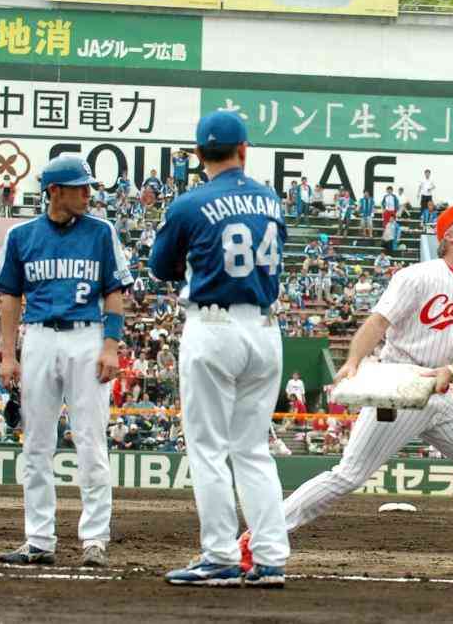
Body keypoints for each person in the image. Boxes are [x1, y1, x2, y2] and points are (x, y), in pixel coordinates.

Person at [239, 203, 453, 580]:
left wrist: (452, 369)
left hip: (440, 392)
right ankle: (257, 540)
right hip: (398, 386)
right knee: (348, 474)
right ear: (449, 235)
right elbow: (378, 322)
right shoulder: (417, 277)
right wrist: (353, 361)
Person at [149, 111, 290, 587]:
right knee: (252, 449)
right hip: (265, 328)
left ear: (197, 155)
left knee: (209, 449)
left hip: (212, 326)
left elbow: (161, 268)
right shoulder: (270, 199)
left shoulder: (189, 204)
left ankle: (220, 555)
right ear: (244, 150)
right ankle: (269, 556)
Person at [0, 155, 133, 568]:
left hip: (86, 336)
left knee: (90, 440)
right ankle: (38, 540)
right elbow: (9, 298)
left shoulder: (101, 232)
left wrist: (111, 345)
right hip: (38, 337)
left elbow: (114, 293)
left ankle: (95, 540)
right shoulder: (22, 236)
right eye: (80, 187)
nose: (88, 194)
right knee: (36, 443)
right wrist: (7, 354)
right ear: (54, 191)